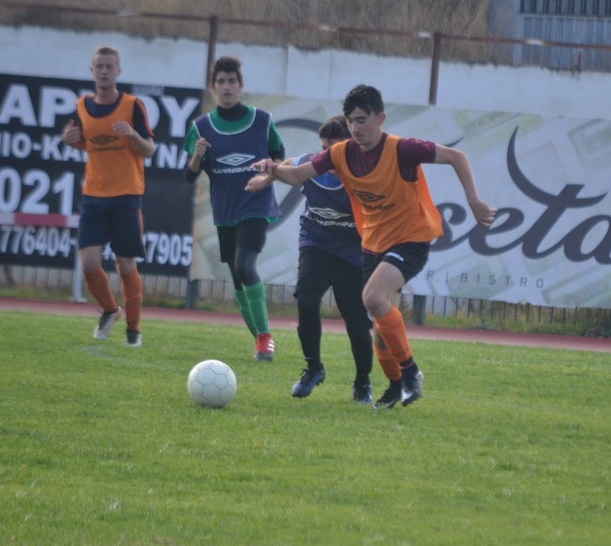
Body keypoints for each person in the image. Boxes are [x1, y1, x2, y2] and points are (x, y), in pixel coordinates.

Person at [253, 84, 496, 408]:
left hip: (411, 238)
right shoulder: (341, 153)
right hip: (372, 245)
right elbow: (297, 174)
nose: (355, 128)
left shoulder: (403, 149)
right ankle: (395, 386)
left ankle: (410, 374)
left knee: (371, 298)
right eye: (351, 121)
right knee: (381, 330)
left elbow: (456, 156)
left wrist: (474, 199)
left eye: (362, 120)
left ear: (380, 118)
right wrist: (272, 170)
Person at [246, 116, 374, 403]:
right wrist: (266, 177)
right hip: (316, 243)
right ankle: (313, 368)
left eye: (333, 148)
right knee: (305, 300)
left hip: (351, 252)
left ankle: (362, 382)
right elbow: (290, 164)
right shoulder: (312, 164)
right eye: (323, 148)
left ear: (349, 147)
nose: (325, 155)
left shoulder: (363, 173)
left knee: (356, 320)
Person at [184, 55, 286, 361]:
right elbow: (189, 176)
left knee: (244, 266)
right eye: (221, 82)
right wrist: (197, 155)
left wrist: (269, 173)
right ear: (213, 88)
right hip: (225, 212)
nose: (227, 87)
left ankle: (265, 338)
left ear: (241, 85)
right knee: (237, 278)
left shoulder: (262, 120)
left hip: (256, 206)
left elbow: (279, 157)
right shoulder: (201, 127)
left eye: (232, 81)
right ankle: (260, 340)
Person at [61, 46, 155, 347]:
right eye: (99, 66)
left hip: (126, 195)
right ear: (92, 71)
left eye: (109, 66)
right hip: (93, 195)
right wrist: (68, 141)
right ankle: (111, 309)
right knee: (89, 263)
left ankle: (133, 329)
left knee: (125, 265)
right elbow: (87, 143)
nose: (104, 71)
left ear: (118, 71)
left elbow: (149, 149)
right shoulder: (81, 107)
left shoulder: (132, 105)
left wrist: (132, 135)